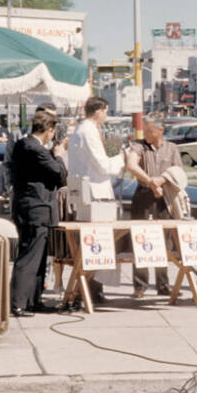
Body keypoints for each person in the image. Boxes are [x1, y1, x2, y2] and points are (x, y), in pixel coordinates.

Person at [9, 110, 67, 317]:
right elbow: (59, 173)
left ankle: (33, 299)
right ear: (49, 130)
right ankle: (18, 302)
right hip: (36, 208)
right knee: (31, 256)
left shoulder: (23, 145)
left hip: (32, 207)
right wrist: (59, 155)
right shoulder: (34, 149)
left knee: (40, 256)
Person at [67, 97, 125, 303]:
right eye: (106, 111)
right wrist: (121, 158)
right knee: (97, 244)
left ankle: (93, 287)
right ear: (99, 111)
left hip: (88, 192)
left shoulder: (81, 131)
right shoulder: (88, 131)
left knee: (93, 245)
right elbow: (102, 166)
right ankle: (92, 288)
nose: (106, 116)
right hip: (95, 194)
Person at [123, 112, 179, 298]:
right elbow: (132, 165)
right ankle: (139, 286)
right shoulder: (139, 146)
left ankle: (163, 284)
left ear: (160, 130)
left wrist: (161, 181)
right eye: (144, 130)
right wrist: (150, 182)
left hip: (165, 199)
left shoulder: (171, 148)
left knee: (165, 241)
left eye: (150, 130)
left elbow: (178, 172)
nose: (146, 134)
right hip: (143, 197)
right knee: (140, 240)